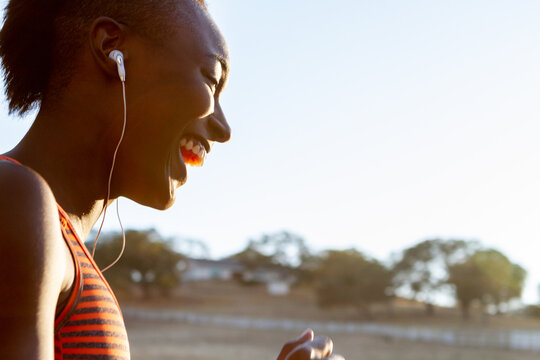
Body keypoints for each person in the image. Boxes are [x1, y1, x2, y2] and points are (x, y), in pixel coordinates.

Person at [0, 1, 344, 359]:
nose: (224, 130)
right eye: (211, 78)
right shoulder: (15, 198)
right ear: (111, 49)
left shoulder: (47, 231)